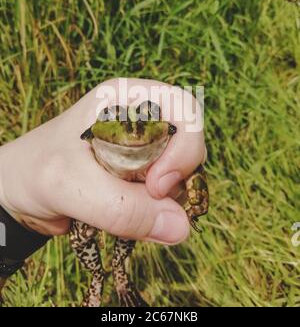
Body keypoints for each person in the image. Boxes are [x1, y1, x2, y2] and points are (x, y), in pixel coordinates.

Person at [0, 78, 206, 298]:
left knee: (125, 239)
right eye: (110, 116)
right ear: (89, 134)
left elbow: (194, 170)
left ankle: (120, 275)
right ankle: (98, 280)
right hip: (83, 216)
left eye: (151, 116)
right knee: (82, 237)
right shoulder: (88, 152)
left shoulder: (161, 150)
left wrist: (196, 203)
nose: (133, 131)